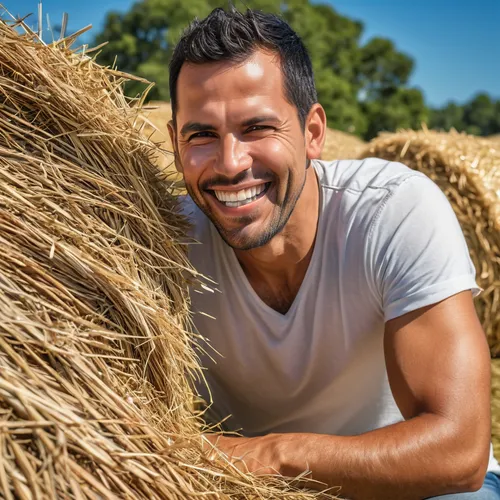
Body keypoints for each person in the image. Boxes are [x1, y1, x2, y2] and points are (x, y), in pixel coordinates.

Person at [166, 7, 500, 500]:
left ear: (314, 132)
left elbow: (458, 452)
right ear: (175, 144)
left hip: (413, 487)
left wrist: (272, 456)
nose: (231, 163)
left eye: (257, 128)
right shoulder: (157, 247)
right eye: (202, 135)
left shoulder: (393, 210)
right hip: (243, 490)